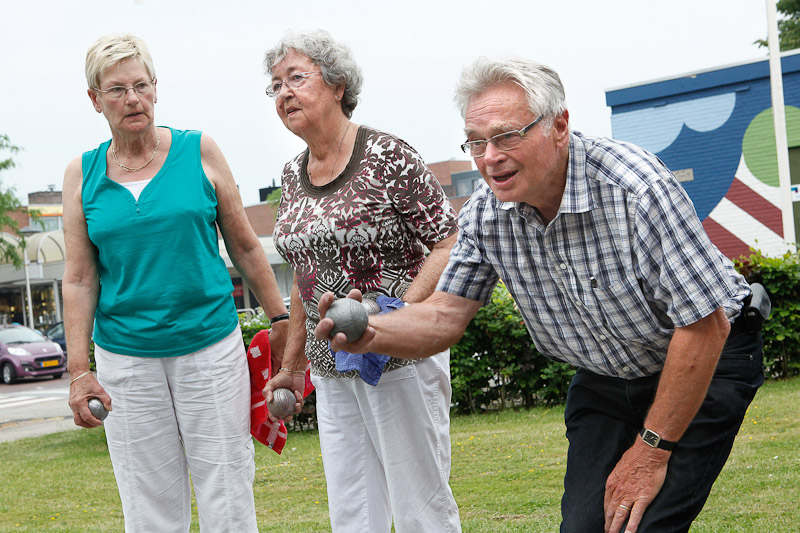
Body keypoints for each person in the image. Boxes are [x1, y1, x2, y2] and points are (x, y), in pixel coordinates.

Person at [316, 56, 765, 533]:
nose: (490, 157)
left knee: (642, 522)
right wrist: (372, 331)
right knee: (584, 527)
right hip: (607, 374)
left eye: (507, 136)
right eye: (477, 142)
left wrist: (650, 452)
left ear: (559, 126)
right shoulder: (485, 216)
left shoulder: (636, 189)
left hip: (705, 354)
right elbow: (443, 317)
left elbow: (704, 325)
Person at [62, 33, 289, 532]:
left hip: (208, 348)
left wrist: (280, 319)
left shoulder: (198, 150)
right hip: (125, 358)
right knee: (146, 503)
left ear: (156, 89)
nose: (132, 99)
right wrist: (80, 370)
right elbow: (79, 279)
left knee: (226, 489)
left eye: (141, 85)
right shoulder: (82, 173)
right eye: (117, 89)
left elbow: (247, 245)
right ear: (95, 99)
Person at [262, 29, 461, 533]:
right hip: (332, 366)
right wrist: (292, 366)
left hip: (397, 354)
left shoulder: (387, 155)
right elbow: (307, 276)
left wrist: (397, 313)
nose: (284, 92)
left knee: (420, 505)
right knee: (352, 510)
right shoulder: (291, 175)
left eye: (296, 78)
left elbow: (449, 240)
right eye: (275, 84)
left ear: (337, 85)